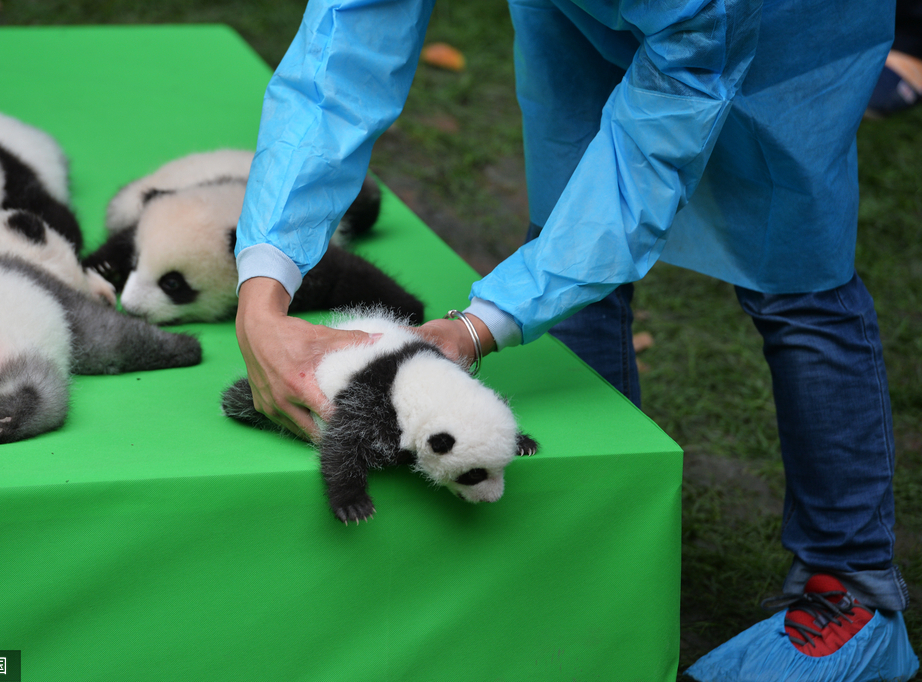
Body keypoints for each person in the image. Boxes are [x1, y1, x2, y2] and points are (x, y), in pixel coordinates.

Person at [233, 0, 919, 679]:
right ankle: (596, 542)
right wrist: (262, 296)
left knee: (795, 269)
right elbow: (344, 44)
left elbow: (649, 154)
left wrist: (480, 326)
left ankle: (851, 587)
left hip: (780, 20)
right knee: (565, 212)